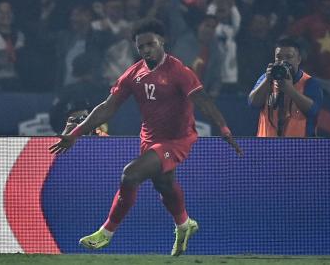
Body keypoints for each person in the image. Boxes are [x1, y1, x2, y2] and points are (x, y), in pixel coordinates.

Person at [49, 19, 242, 256]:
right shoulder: (134, 73)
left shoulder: (179, 71)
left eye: (151, 44)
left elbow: (203, 101)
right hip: (149, 139)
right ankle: (184, 225)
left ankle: (105, 233)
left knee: (130, 175)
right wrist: (76, 134)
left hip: (177, 139)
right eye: (141, 47)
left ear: (162, 41)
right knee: (164, 184)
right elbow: (108, 107)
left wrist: (224, 129)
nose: (146, 50)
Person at [248, 37, 323, 137]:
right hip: (266, 147)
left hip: (298, 148)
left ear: (298, 59)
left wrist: (290, 90)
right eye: (279, 57)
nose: (283, 61)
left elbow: (313, 110)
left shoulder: (309, 83)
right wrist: (267, 80)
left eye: (289, 57)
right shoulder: (266, 79)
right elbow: (252, 103)